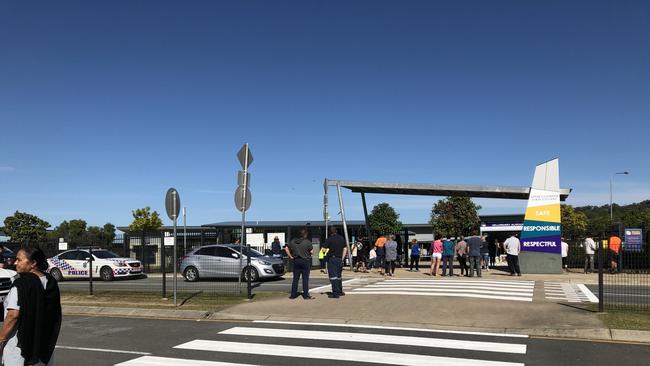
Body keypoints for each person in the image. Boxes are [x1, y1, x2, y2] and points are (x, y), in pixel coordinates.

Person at [0, 247, 61, 366]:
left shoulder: (22, 285)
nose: (15, 263)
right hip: (44, 347)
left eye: (19, 260)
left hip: (21, 350)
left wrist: (1, 339)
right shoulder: (51, 282)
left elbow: (13, 315)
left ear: (33, 263)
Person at [285, 227, 314, 300]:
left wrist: (291, 256)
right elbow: (311, 251)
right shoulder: (307, 242)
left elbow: (286, 248)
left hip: (296, 261)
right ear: (305, 234)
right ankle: (306, 295)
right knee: (305, 279)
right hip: (305, 261)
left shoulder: (293, 241)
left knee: (295, 279)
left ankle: (293, 295)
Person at [323, 227, 348, 298]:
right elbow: (345, 249)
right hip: (339, 259)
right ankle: (340, 291)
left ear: (330, 232)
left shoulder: (329, 239)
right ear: (336, 231)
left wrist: (323, 258)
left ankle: (335, 293)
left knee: (333, 277)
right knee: (339, 276)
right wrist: (342, 259)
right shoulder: (341, 238)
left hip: (332, 259)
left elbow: (323, 250)